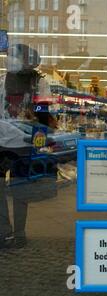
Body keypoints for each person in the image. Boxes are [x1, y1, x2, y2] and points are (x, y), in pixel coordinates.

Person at [0, 44, 49, 249]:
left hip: (25, 143)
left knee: (21, 189)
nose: (9, 60)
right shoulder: (3, 81)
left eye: (14, 57)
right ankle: (3, 231)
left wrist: (39, 138)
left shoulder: (39, 82)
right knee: (0, 190)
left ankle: (19, 233)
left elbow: (43, 111)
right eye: (8, 57)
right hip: (2, 142)